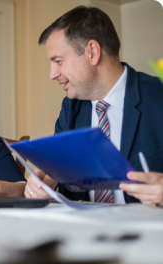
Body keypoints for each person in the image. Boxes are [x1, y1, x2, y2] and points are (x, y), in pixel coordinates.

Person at [24, 5, 163, 205]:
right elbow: (62, 180)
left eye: (58, 61)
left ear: (92, 52)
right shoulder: (70, 108)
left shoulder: (158, 96)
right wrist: (46, 187)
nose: (52, 74)